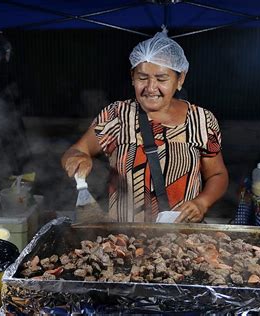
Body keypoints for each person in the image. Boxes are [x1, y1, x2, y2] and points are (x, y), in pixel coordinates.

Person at [61, 30, 228, 223]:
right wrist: (78, 157)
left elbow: (218, 174)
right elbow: (75, 151)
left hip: (183, 239)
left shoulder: (202, 120)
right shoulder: (115, 115)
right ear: (132, 77)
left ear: (180, 79)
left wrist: (202, 202)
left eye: (161, 79)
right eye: (142, 78)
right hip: (124, 240)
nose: (150, 87)